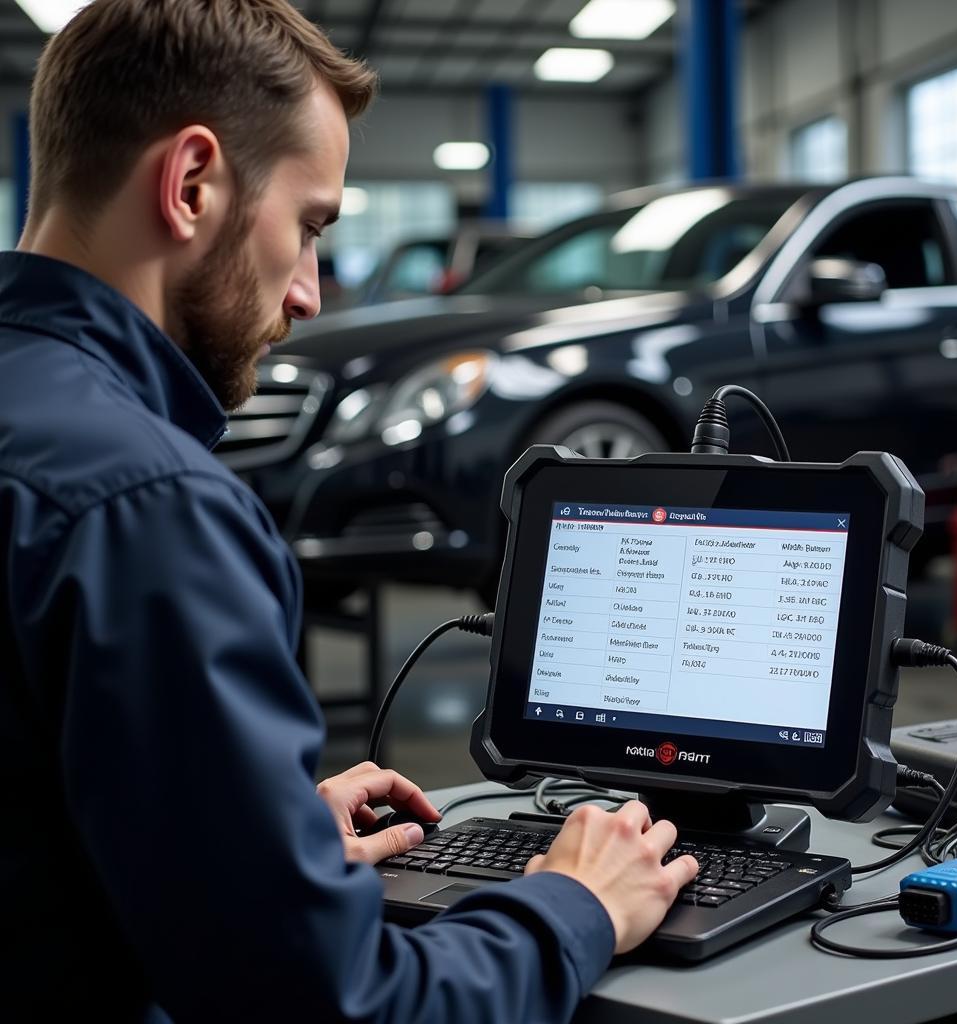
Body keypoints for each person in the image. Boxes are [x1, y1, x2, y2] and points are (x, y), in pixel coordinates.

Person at [0, 2, 699, 1020]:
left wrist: (243, 836)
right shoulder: (151, 512)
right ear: (191, 182)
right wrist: (573, 904)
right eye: (310, 227)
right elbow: (342, 1008)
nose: (311, 294)